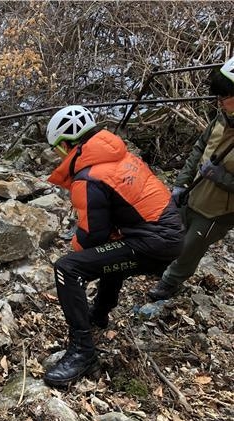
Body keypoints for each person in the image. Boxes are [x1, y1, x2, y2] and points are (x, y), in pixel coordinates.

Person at [42, 105, 184, 387]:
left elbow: (91, 237)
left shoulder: (89, 177)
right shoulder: (120, 154)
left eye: (59, 149)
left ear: (67, 144)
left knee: (67, 269)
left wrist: (77, 249)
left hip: (154, 241)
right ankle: (99, 314)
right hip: (167, 233)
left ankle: (82, 351)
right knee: (111, 248)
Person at [148, 57, 234, 301]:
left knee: (190, 247)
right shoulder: (222, 119)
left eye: (225, 95)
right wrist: (181, 184)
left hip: (218, 211)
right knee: (172, 231)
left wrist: (222, 178)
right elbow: (199, 149)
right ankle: (160, 265)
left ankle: (169, 282)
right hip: (194, 193)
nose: (219, 101)